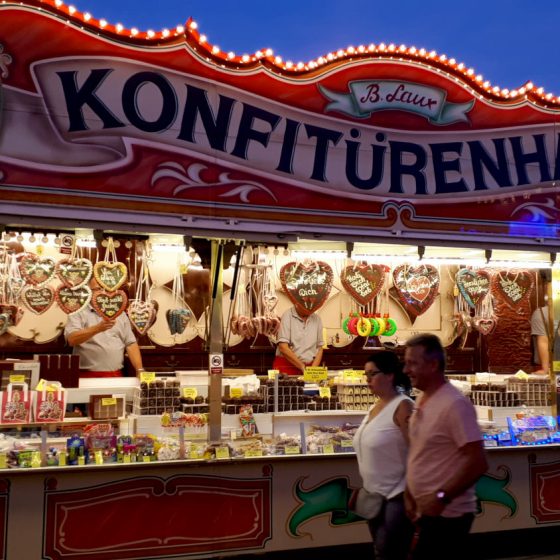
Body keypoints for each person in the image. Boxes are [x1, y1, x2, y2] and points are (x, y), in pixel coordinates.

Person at [403, 333, 488, 560]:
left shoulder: (455, 405)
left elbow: (477, 462)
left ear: (433, 365)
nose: (406, 370)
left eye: (412, 363)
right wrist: (410, 493)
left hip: (449, 515)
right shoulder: (422, 398)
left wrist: (441, 496)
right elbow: (422, 451)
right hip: (426, 511)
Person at [353, 351, 415, 560]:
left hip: (396, 497)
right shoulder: (374, 407)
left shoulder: (403, 406)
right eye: (366, 375)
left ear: (390, 375)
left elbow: (417, 452)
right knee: (381, 552)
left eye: (373, 374)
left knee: (390, 554)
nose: (368, 380)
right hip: (374, 497)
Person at [64, 278, 144, 378]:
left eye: (106, 289)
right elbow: (72, 339)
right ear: (89, 291)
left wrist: (140, 370)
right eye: (98, 289)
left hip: (116, 375)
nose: (103, 293)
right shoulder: (78, 312)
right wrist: (97, 329)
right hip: (86, 375)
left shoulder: (120, 314)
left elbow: (130, 343)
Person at [273, 305, 323, 375]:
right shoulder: (287, 316)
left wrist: (312, 371)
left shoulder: (317, 318)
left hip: (309, 368)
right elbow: (283, 347)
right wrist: (303, 367)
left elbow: (319, 348)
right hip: (287, 368)